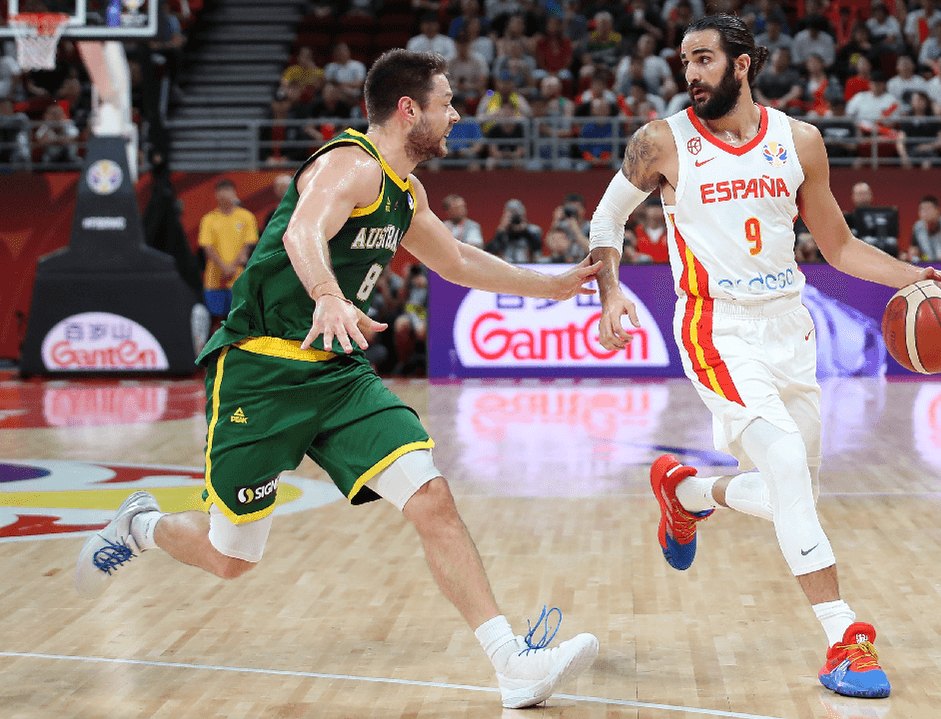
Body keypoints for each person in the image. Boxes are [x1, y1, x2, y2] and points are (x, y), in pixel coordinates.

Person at [74, 49, 600, 710]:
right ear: (408, 109)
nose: (456, 115)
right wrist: (327, 292)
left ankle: (511, 662)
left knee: (430, 494)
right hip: (261, 371)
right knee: (231, 556)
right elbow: (301, 232)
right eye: (447, 103)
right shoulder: (346, 165)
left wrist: (554, 285)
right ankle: (142, 525)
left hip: (338, 373)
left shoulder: (405, 193)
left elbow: (459, 260)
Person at [585, 14, 941, 701]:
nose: (690, 73)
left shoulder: (801, 141)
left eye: (704, 59)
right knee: (789, 468)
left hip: (790, 330)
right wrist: (610, 292)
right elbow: (605, 220)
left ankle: (683, 491)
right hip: (717, 329)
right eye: (685, 62)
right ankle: (843, 636)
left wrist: (918, 276)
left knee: (794, 493)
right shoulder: (661, 142)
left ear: (742, 64)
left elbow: (841, 245)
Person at [198, 179, 259, 325]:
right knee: (215, 322)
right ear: (216, 195)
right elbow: (207, 247)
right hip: (214, 280)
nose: (224, 195)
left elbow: (248, 245)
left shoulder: (246, 217)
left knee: (237, 320)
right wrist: (224, 267)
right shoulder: (209, 219)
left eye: (228, 191)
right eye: (221, 191)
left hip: (238, 279)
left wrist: (232, 267)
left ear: (234, 193)